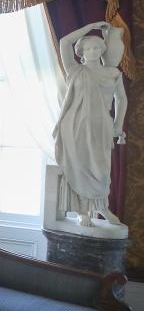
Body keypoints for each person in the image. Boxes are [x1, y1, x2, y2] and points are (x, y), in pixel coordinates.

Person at [53, 21, 126, 227]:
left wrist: (118, 124)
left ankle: (102, 208)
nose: (93, 51)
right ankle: (82, 211)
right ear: (81, 52)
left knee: (101, 169)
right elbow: (64, 42)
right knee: (78, 166)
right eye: (88, 48)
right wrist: (92, 26)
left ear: (102, 50)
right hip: (74, 126)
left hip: (101, 125)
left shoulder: (113, 73)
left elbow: (122, 99)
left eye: (96, 47)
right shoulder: (74, 69)